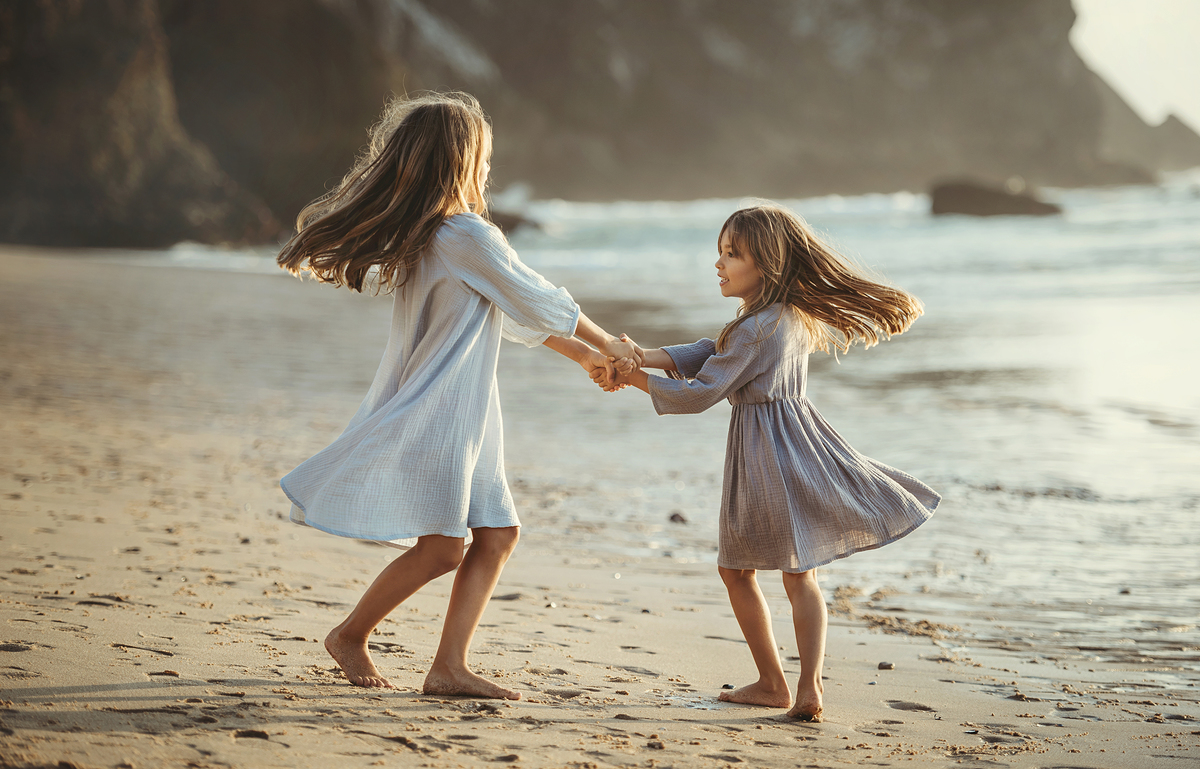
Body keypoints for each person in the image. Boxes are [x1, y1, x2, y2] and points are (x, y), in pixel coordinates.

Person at [276, 91, 639, 696]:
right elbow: (537, 297)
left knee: (495, 535)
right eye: (484, 156)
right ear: (462, 160)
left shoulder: (433, 236)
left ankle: (448, 666)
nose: (489, 168)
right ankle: (350, 635)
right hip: (441, 412)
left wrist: (586, 360)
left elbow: (510, 312)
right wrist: (612, 347)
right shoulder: (467, 234)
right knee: (447, 546)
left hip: (466, 415)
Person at [596, 203, 939, 721]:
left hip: (764, 454)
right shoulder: (778, 317)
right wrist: (646, 356)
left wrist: (632, 376)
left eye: (732, 254)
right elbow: (713, 350)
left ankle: (777, 684)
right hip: (796, 445)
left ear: (769, 264)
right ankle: (803, 689)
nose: (719, 263)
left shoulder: (759, 327)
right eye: (720, 252)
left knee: (738, 570)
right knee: (799, 573)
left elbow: (701, 392)